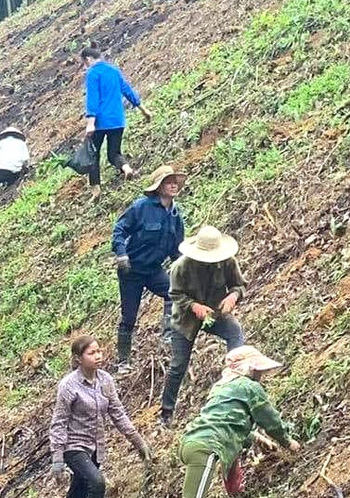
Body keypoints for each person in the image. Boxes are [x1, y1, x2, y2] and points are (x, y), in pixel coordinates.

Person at [171, 346, 300, 498]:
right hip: (207, 446)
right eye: (257, 370)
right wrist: (288, 442)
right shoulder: (251, 387)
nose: (261, 375)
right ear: (248, 369)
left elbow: (230, 424)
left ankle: (236, 492)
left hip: (194, 442)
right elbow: (270, 419)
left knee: (230, 451)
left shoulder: (222, 387)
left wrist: (256, 437)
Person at [49, 332, 150, 498]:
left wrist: (139, 443)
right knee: (97, 482)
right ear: (78, 358)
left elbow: (118, 414)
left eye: (99, 351)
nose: (98, 356)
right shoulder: (68, 386)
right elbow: (59, 422)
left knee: (78, 491)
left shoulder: (105, 380)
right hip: (73, 447)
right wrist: (57, 459)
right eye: (91, 353)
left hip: (96, 447)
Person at [161, 227, 244, 426]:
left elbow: (239, 285)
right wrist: (194, 306)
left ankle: (236, 380)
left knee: (235, 332)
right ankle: (166, 412)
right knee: (178, 365)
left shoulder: (228, 262)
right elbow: (174, 294)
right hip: (185, 319)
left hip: (215, 311)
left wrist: (233, 296)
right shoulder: (180, 267)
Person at [109, 166, 184, 370]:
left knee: (173, 293)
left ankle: (167, 336)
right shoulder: (141, 207)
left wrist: (188, 266)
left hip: (153, 270)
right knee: (129, 317)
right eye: (168, 181)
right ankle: (123, 361)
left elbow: (177, 249)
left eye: (174, 181)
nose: (173, 184)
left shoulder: (176, 214)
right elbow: (120, 229)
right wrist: (121, 253)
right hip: (131, 270)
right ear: (159, 187)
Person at [80, 44, 149, 188]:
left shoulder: (93, 73)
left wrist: (90, 123)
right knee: (114, 154)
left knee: (93, 155)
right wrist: (144, 110)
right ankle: (126, 168)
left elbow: (92, 99)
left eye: (84, 64)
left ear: (87, 59)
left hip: (100, 122)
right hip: (118, 121)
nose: (85, 67)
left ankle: (96, 189)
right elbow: (127, 90)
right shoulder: (114, 70)